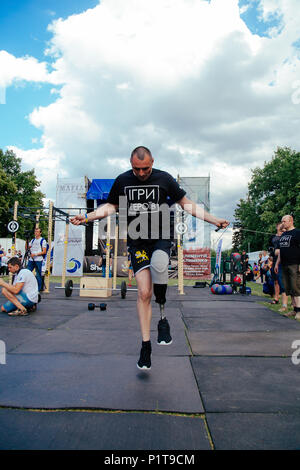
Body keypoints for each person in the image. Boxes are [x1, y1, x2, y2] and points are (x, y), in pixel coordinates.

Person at [70, 146, 229, 370]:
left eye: (146, 169)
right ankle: (146, 345)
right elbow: (111, 206)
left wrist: (214, 220)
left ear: (153, 162)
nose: (142, 173)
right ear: (130, 163)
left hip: (161, 236)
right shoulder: (123, 180)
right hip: (137, 241)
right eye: (137, 169)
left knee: (159, 264)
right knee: (144, 292)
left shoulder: (164, 178)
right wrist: (87, 217)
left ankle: (162, 310)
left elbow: (187, 204)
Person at [275, 215, 300, 319]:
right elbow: (281, 251)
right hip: (284, 264)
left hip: (294, 264)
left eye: (284, 221)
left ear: (291, 221)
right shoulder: (284, 234)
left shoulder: (297, 233)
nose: (282, 223)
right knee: (288, 288)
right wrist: (277, 263)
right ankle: (294, 309)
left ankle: (299, 311)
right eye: (282, 221)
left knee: (296, 288)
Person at [269, 223, 288, 308]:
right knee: (276, 280)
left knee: (285, 280)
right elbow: (270, 248)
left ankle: (290, 301)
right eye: (279, 225)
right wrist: (270, 258)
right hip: (275, 259)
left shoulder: (285, 236)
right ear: (277, 227)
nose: (281, 227)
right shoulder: (273, 237)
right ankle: (276, 298)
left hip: (285, 259)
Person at [26, 227, 47, 292]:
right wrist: (26, 240)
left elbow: (44, 251)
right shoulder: (32, 240)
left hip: (38, 259)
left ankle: (39, 289)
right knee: (27, 272)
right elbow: (27, 248)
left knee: (38, 274)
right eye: (35, 231)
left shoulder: (42, 240)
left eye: (37, 231)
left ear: (40, 233)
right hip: (31, 259)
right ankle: (27, 287)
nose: (36, 233)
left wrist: (35, 254)